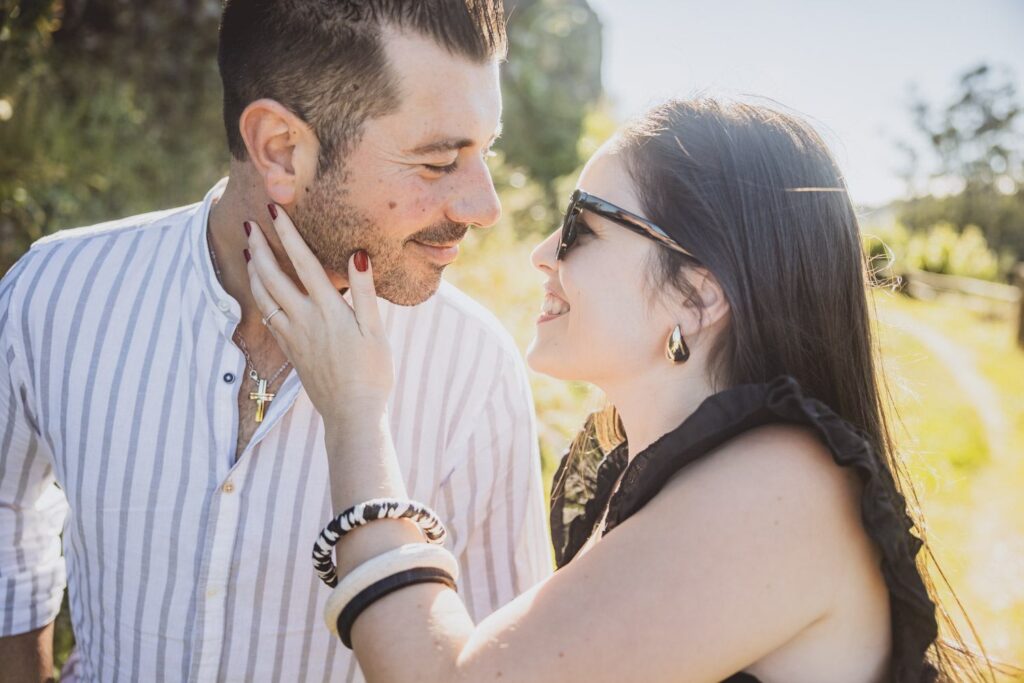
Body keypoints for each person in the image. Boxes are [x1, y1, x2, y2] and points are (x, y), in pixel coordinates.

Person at [242, 98, 996, 682]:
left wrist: (354, 411)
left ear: (697, 297)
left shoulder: (778, 491)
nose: (541, 253)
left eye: (579, 227)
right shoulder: (686, 481)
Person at [0, 2, 553, 681]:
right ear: (280, 150)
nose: (485, 207)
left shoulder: (476, 370)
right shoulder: (56, 296)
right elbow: (6, 516)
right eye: (440, 161)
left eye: (484, 151)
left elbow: (504, 662)